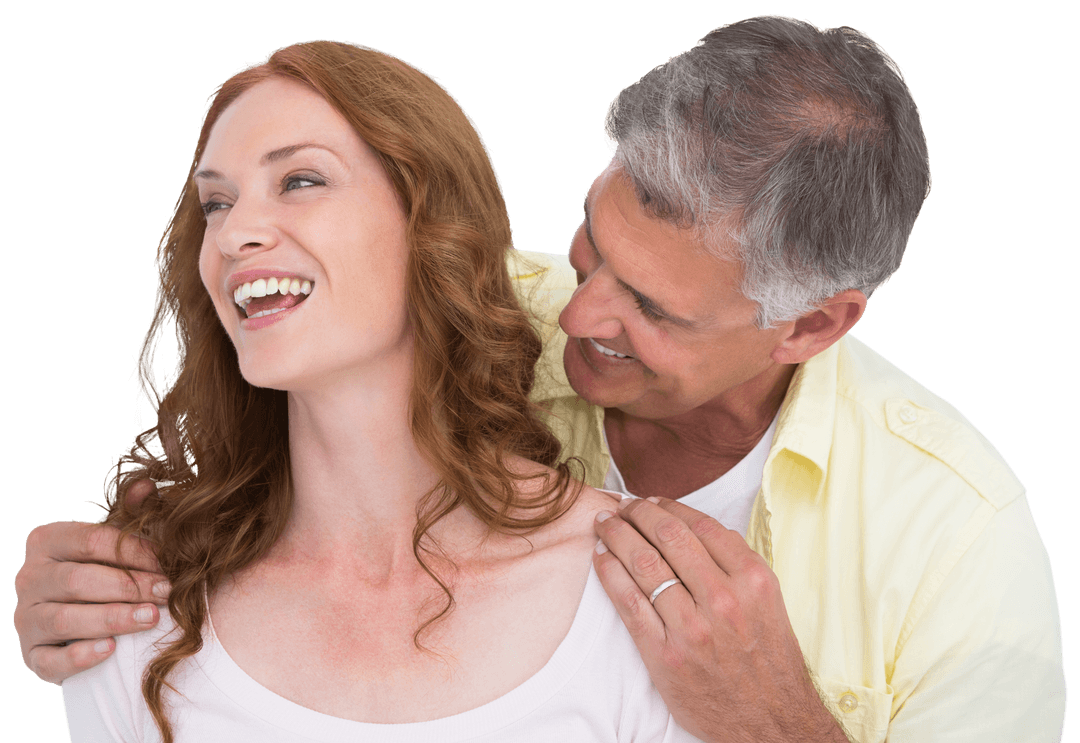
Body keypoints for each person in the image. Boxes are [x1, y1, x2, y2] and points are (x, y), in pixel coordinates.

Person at [15, 15, 1067, 743]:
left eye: (652, 307)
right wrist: (83, 581)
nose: (577, 309)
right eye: (591, 244)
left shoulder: (956, 541)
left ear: (813, 323)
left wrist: (776, 720)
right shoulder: (478, 297)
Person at [51, 39, 703, 742]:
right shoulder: (136, 612)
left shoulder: (649, 591)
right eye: (216, 202)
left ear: (433, 225)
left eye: (300, 180)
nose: (236, 232)